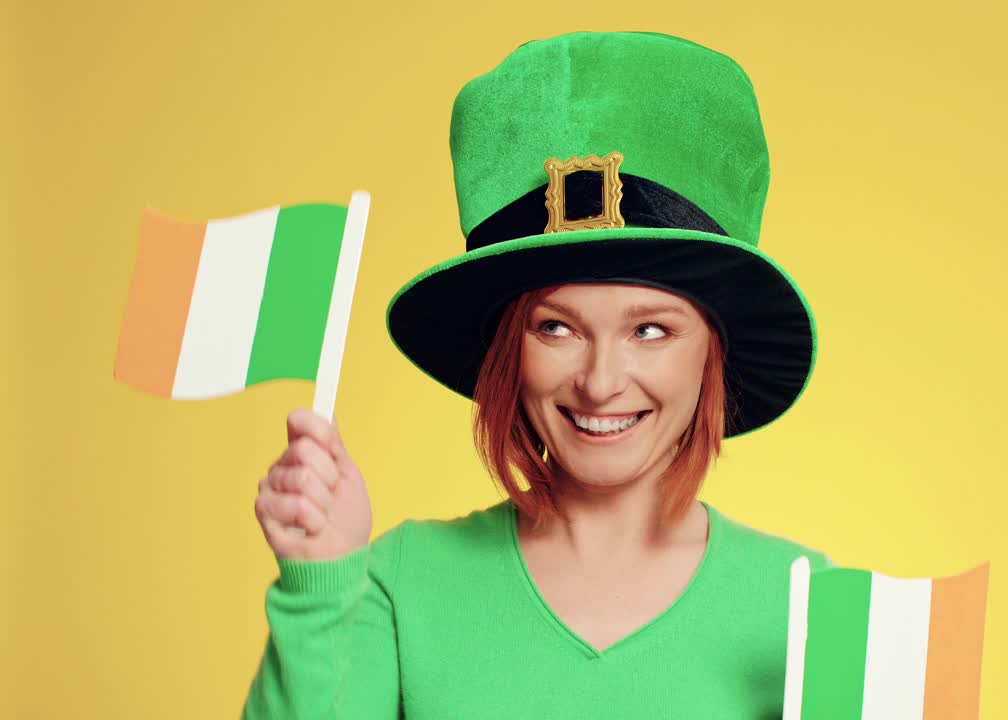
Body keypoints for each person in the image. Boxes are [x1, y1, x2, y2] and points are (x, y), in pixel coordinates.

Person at [243, 31, 831, 719]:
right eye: (557, 327)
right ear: (507, 351)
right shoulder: (398, 585)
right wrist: (320, 584)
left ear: (711, 351)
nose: (600, 381)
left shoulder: (811, 606)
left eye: (650, 330)